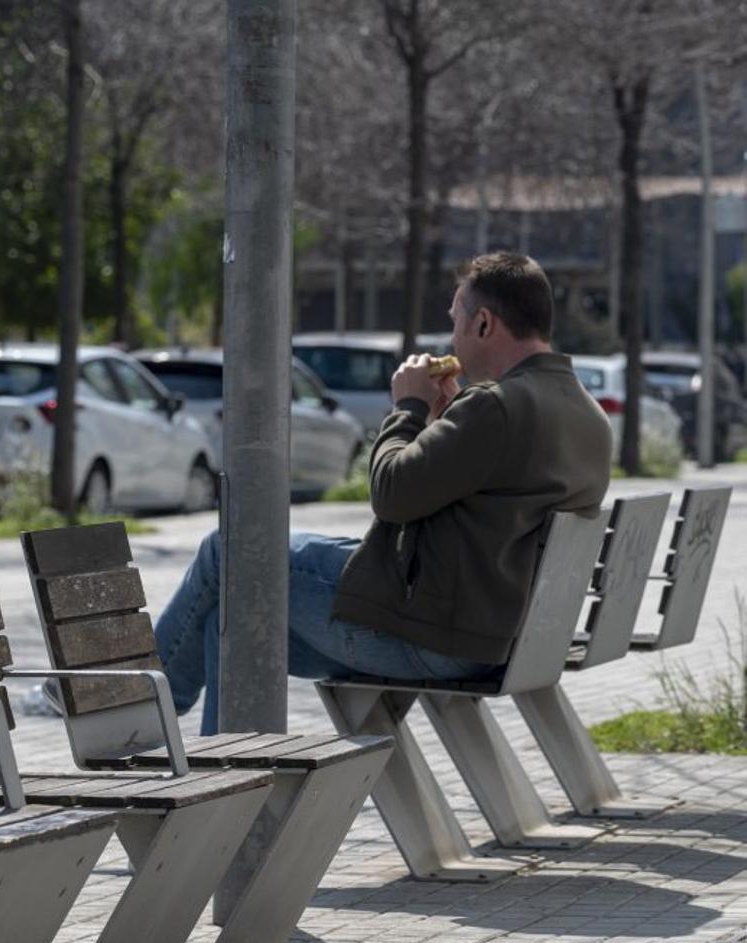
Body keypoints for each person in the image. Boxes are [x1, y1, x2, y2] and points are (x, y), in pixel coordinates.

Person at [155, 251, 613, 735]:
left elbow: (391, 494)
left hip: (437, 636)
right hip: (497, 635)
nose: (452, 338)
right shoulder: (585, 413)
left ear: (483, 323)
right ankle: (225, 768)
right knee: (228, 624)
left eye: (455, 320)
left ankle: (139, 710)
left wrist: (408, 407)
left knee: (229, 550)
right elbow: (485, 485)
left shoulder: (496, 406)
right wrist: (447, 418)